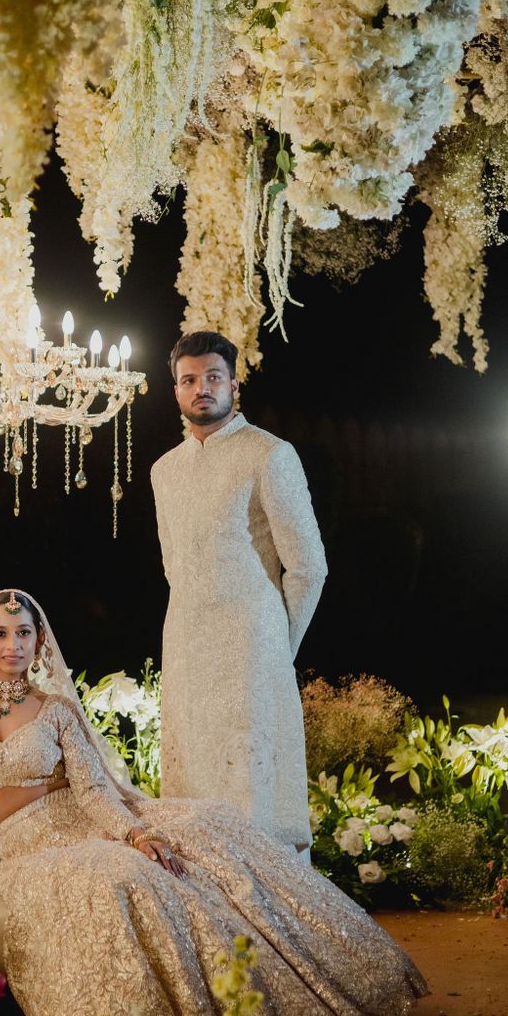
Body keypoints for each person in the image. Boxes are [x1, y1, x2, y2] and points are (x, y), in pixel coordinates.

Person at [0, 589, 425, 1016]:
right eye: (1, 633)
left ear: (40, 642)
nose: (13, 644)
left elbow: (94, 792)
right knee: (117, 877)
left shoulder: (57, 710)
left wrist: (136, 834)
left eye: (24, 633)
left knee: (207, 827)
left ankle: (329, 990)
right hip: (30, 845)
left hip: (83, 820)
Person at [150, 331, 327, 854]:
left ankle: (271, 911)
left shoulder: (268, 454)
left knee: (252, 787)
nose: (201, 388)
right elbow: (172, 565)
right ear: (176, 390)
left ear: (233, 384)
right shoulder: (165, 470)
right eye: (189, 380)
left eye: (212, 378)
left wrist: (278, 640)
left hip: (251, 643)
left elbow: (309, 565)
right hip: (185, 640)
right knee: (195, 777)